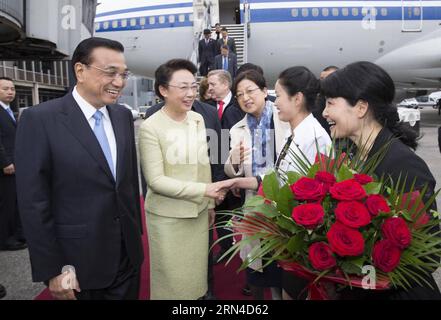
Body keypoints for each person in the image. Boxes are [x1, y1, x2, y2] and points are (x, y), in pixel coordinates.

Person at [15, 37, 144, 300]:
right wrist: (52, 269)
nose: (119, 82)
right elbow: (33, 203)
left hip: (128, 257)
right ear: (80, 71)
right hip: (78, 265)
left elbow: (126, 184)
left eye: (123, 74)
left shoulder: (121, 117)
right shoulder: (40, 120)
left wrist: (136, 236)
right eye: (110, 73)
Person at [321, 61, 441, 300]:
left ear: (361, 108)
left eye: (330, 103)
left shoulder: (403, 165)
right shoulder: (351, 157)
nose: (324, 112)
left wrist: (366, 279)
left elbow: (427, 255)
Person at [232, 66, 332, 299]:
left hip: (299, 235)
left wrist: (247, 184)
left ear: (297, 99)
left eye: (279, 96)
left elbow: (297, 191)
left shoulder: (313, 137)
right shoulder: (296, 133)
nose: (274, 102)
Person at [138, 59, 233, 300]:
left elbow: (203, 165)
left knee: (197, 282)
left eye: (193, 86)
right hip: (168, 219)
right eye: (183, 87)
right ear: (163, 90)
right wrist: (204, 191)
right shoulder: (151, 127)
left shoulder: (197, 119)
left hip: (199, 213)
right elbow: (156, 180)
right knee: (172, 285)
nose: (191, 94)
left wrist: (209, 204)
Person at [225, 70, 290, 300]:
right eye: (239, 94)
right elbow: (232, 170)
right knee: (258, 271)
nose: (245, 98)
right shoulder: (237, 129)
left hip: (284, 206)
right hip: (254, 205)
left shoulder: (285, 119)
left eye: (250, 91)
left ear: (265, 91)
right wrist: (234, 159)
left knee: (284, 271)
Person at [0, 77, 26, 252]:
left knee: (15, 201)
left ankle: (17, 234)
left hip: (14, 165)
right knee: (6, 204)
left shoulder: (9, 110)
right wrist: (6, 162)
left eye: (12, 89)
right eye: (5, 89)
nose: (10, 92)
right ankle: (5, 239)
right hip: (5, 167)